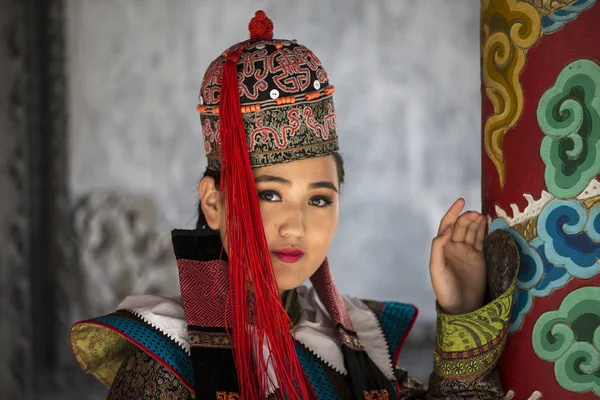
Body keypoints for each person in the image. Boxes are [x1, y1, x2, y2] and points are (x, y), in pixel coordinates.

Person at [70, 11, 518, 399]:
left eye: (319, 199)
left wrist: (461, 312)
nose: (296, 227)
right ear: (214, 202)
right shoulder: (167, 361)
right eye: (269, 194)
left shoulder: (349, 346)